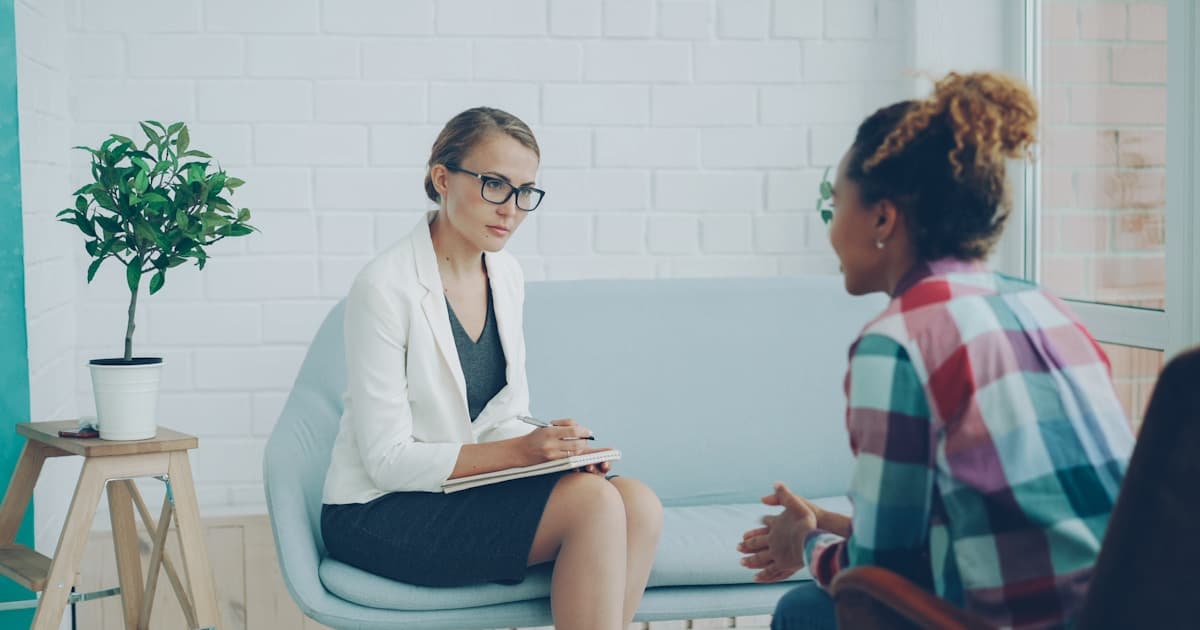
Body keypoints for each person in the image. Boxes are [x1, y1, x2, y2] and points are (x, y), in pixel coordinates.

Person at [738, 72, 1135, 630]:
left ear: (882, 217)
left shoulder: (899, 340)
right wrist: (829, 521)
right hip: (1128, 609)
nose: (831, 230)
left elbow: (881, 571)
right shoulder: (1043, 306)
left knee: (804, 611)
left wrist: (806, 542)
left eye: (839, 202)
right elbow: (994, 521)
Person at [321, 107, 663, 629]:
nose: (512, 209)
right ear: (442, 178)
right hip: (380, 510)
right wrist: (519, 453)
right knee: (593, 506)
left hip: (459, 492)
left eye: (525, 191)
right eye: (494, 185)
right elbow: (387, 461)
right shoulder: (383, 287)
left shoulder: (504, 273)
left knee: (638, 503)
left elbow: (503, 414)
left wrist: (552, 451)